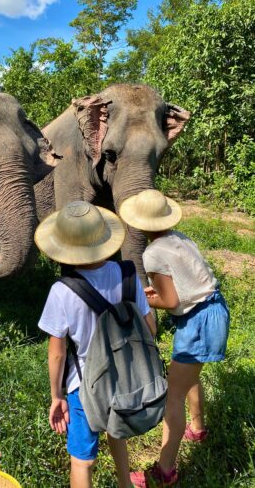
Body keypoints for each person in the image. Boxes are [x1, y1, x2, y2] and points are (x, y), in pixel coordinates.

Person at [35, 200, 156, 488]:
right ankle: (125, 484)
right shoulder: (127, 273)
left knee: (82, 459)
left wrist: (57, 396)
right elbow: (150, 328)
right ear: (104, 239)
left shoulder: (61, 291)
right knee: (117, 429)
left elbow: (57, 353)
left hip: (84, 386)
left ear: (63, 247)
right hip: (125, 377)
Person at [119, 189, 230, 487]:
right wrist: (153, 294)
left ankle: (165, 470)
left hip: (198, 322)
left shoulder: (152, 253)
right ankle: (198, 428)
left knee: (173, 395)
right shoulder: (180, 238)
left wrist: (141, 301)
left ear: (140, 224)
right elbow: (184, 285)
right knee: (189, 375)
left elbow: (169, 301)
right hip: (214, 310)